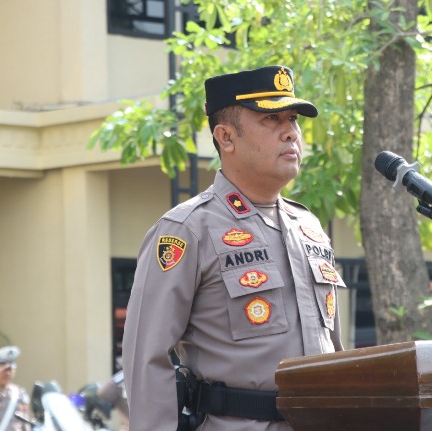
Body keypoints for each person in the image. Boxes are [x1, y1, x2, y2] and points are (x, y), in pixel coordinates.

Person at [122, 65, 345, 431]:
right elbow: (146, 358)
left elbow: (334, 348)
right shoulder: (187, 230)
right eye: (271, 119)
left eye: (292, 119)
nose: (291, 132)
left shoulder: (308, 227)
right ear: (226, 137)